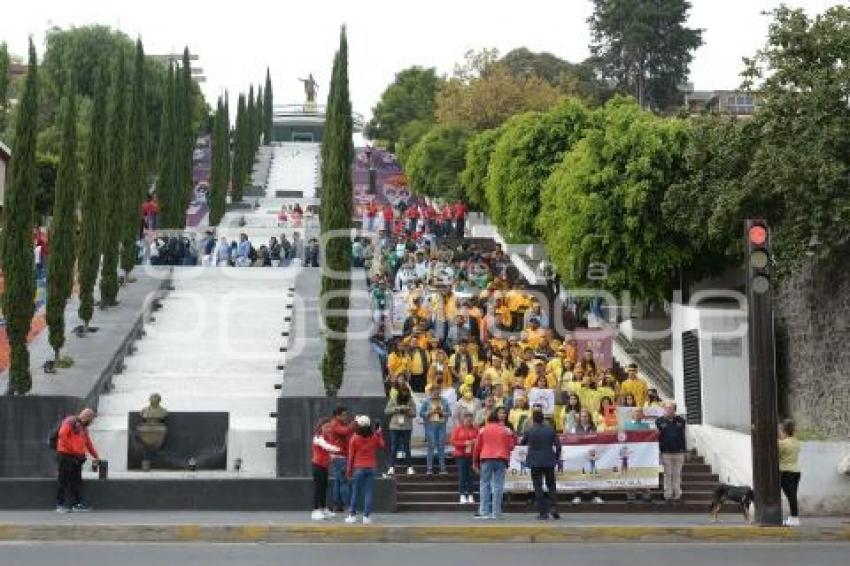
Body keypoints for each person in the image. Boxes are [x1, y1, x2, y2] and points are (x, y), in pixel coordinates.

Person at [55, 408, 100, 513]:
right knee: (63, 480)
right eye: (91, 419)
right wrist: (74, 450)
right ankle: (60, 505)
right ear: (87, 417)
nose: (91, 422)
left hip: (77, 458)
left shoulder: (84, 428)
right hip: (65, 456)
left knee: (76, 481)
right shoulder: (70, 421)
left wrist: (96, 456)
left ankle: (77, 504)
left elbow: (88, 443)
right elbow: (62, 435)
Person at [473, 410, 516, 519]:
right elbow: (511, 446)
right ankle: (496, 512)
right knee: (498, 486)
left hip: (486, 458)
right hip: (501, 459)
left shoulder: (482, 430)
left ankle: (484, 511)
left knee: (484, 485)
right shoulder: (506, 430)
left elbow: (477, 447)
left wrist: (475, 462)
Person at [520, 410, 562, 520]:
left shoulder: (530, 430)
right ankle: (554, 508)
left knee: (538, 487)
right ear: (543, 418)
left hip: (535, 462)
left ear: (533, 419)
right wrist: (556, 458)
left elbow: (522, 442)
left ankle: (543, 512)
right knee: (551, 485)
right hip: (549, 460)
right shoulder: (550, 429)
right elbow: (558, 446)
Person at [345, 416, 385, 525]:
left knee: (355, 492)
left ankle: (352, 515)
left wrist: (348, 470)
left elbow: (351, 456)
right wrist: (379, 433)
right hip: (371, 467)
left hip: (358, 468)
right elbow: (382, 445)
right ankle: (366, 517)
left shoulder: (354, 438)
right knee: (369, 493)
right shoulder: (374, 437)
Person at [655, 402, 687, 504]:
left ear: (674, 410)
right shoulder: (659, 421)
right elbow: (656, 436)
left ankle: (677, 494)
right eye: (666, 408)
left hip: (679, 452)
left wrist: (686, 450)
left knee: (677, 474)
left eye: (670, 408)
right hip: (666, 452)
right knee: (667, 474)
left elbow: (684, 435)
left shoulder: (681, 421)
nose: (668, 410)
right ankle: (668, 494)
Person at [311, 418, 340, 520]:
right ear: (320, 427)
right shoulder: (318, 437)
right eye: (326, 427)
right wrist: (338, 450)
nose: (328, 429)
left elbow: (328, 452)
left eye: (329, 427)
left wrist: (333, 456)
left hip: (324, 466)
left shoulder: (327, 437)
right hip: (317, 466)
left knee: (324, 488)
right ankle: (315, 511)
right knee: (318, 489)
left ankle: (323, 509)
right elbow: (326, 447)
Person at [384, 382, 416, 476]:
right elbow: (386, 411)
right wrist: (396, 409)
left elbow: (414, 413)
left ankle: (409, 467)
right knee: (394, 446)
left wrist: (407, 410)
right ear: (399, 392)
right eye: (403, 392)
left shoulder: (411, 400)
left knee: (407, 446)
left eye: (406, 392)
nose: (404, 393)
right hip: (394, 426)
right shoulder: (393, 399)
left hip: (406, 426)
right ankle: (391, 467)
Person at [419, 385, 450, 475]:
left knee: (441, 446)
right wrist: (429, 412)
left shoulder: (444, 401)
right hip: (430, 425)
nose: (436, 393)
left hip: (441, 425)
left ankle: (443, 469)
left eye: (438, 391)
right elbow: (421, 413)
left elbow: (449, 413)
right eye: (434, 391)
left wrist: (442, 413)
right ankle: (429, 469)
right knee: (431, 446)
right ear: (431, 392)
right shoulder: (426, 401)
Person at [329, 407, 355, 513]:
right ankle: (348, 506)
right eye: (343, 415)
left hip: (338, 456)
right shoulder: (335, 424)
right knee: (344, 482)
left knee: (338, 482)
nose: (346, 417)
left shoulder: (338, 423)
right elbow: (345, 432)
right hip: (340, 456)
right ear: (337, 415)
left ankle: (337, 505)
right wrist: (354, 423)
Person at [451, 411, 479, 505]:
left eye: (470, 417)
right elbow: (453, 441)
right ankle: (462, 494)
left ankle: (471, 494)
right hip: (461, 455)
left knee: (471, 475)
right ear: (463, 419)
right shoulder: (457, 429)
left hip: (472, 455)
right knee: (462, 475)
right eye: (466, 417)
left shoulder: (476, 429)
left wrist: (475, 442)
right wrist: (464, 443)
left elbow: (479, 440)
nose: (468, 419)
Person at [779, 419, 801, 526]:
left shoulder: (782, 444)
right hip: (796, 472)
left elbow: (777, 455)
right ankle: (793, 517)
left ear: (784, 431)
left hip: (785, 472)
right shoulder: (797, 442)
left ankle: (794, 518)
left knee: (790, 496)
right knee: (793, 495)